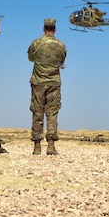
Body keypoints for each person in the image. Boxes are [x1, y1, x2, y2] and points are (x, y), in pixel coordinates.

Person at [27, 18, 67, 155]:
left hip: (38, 82)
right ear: (55, 29)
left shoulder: (36, 43)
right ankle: (51, 145)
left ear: (43, 29)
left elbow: (30, 58)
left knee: (37, 113)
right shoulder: (61, 45)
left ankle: (37, 146)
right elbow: (62, 61)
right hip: (53, 83)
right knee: (52, 113)